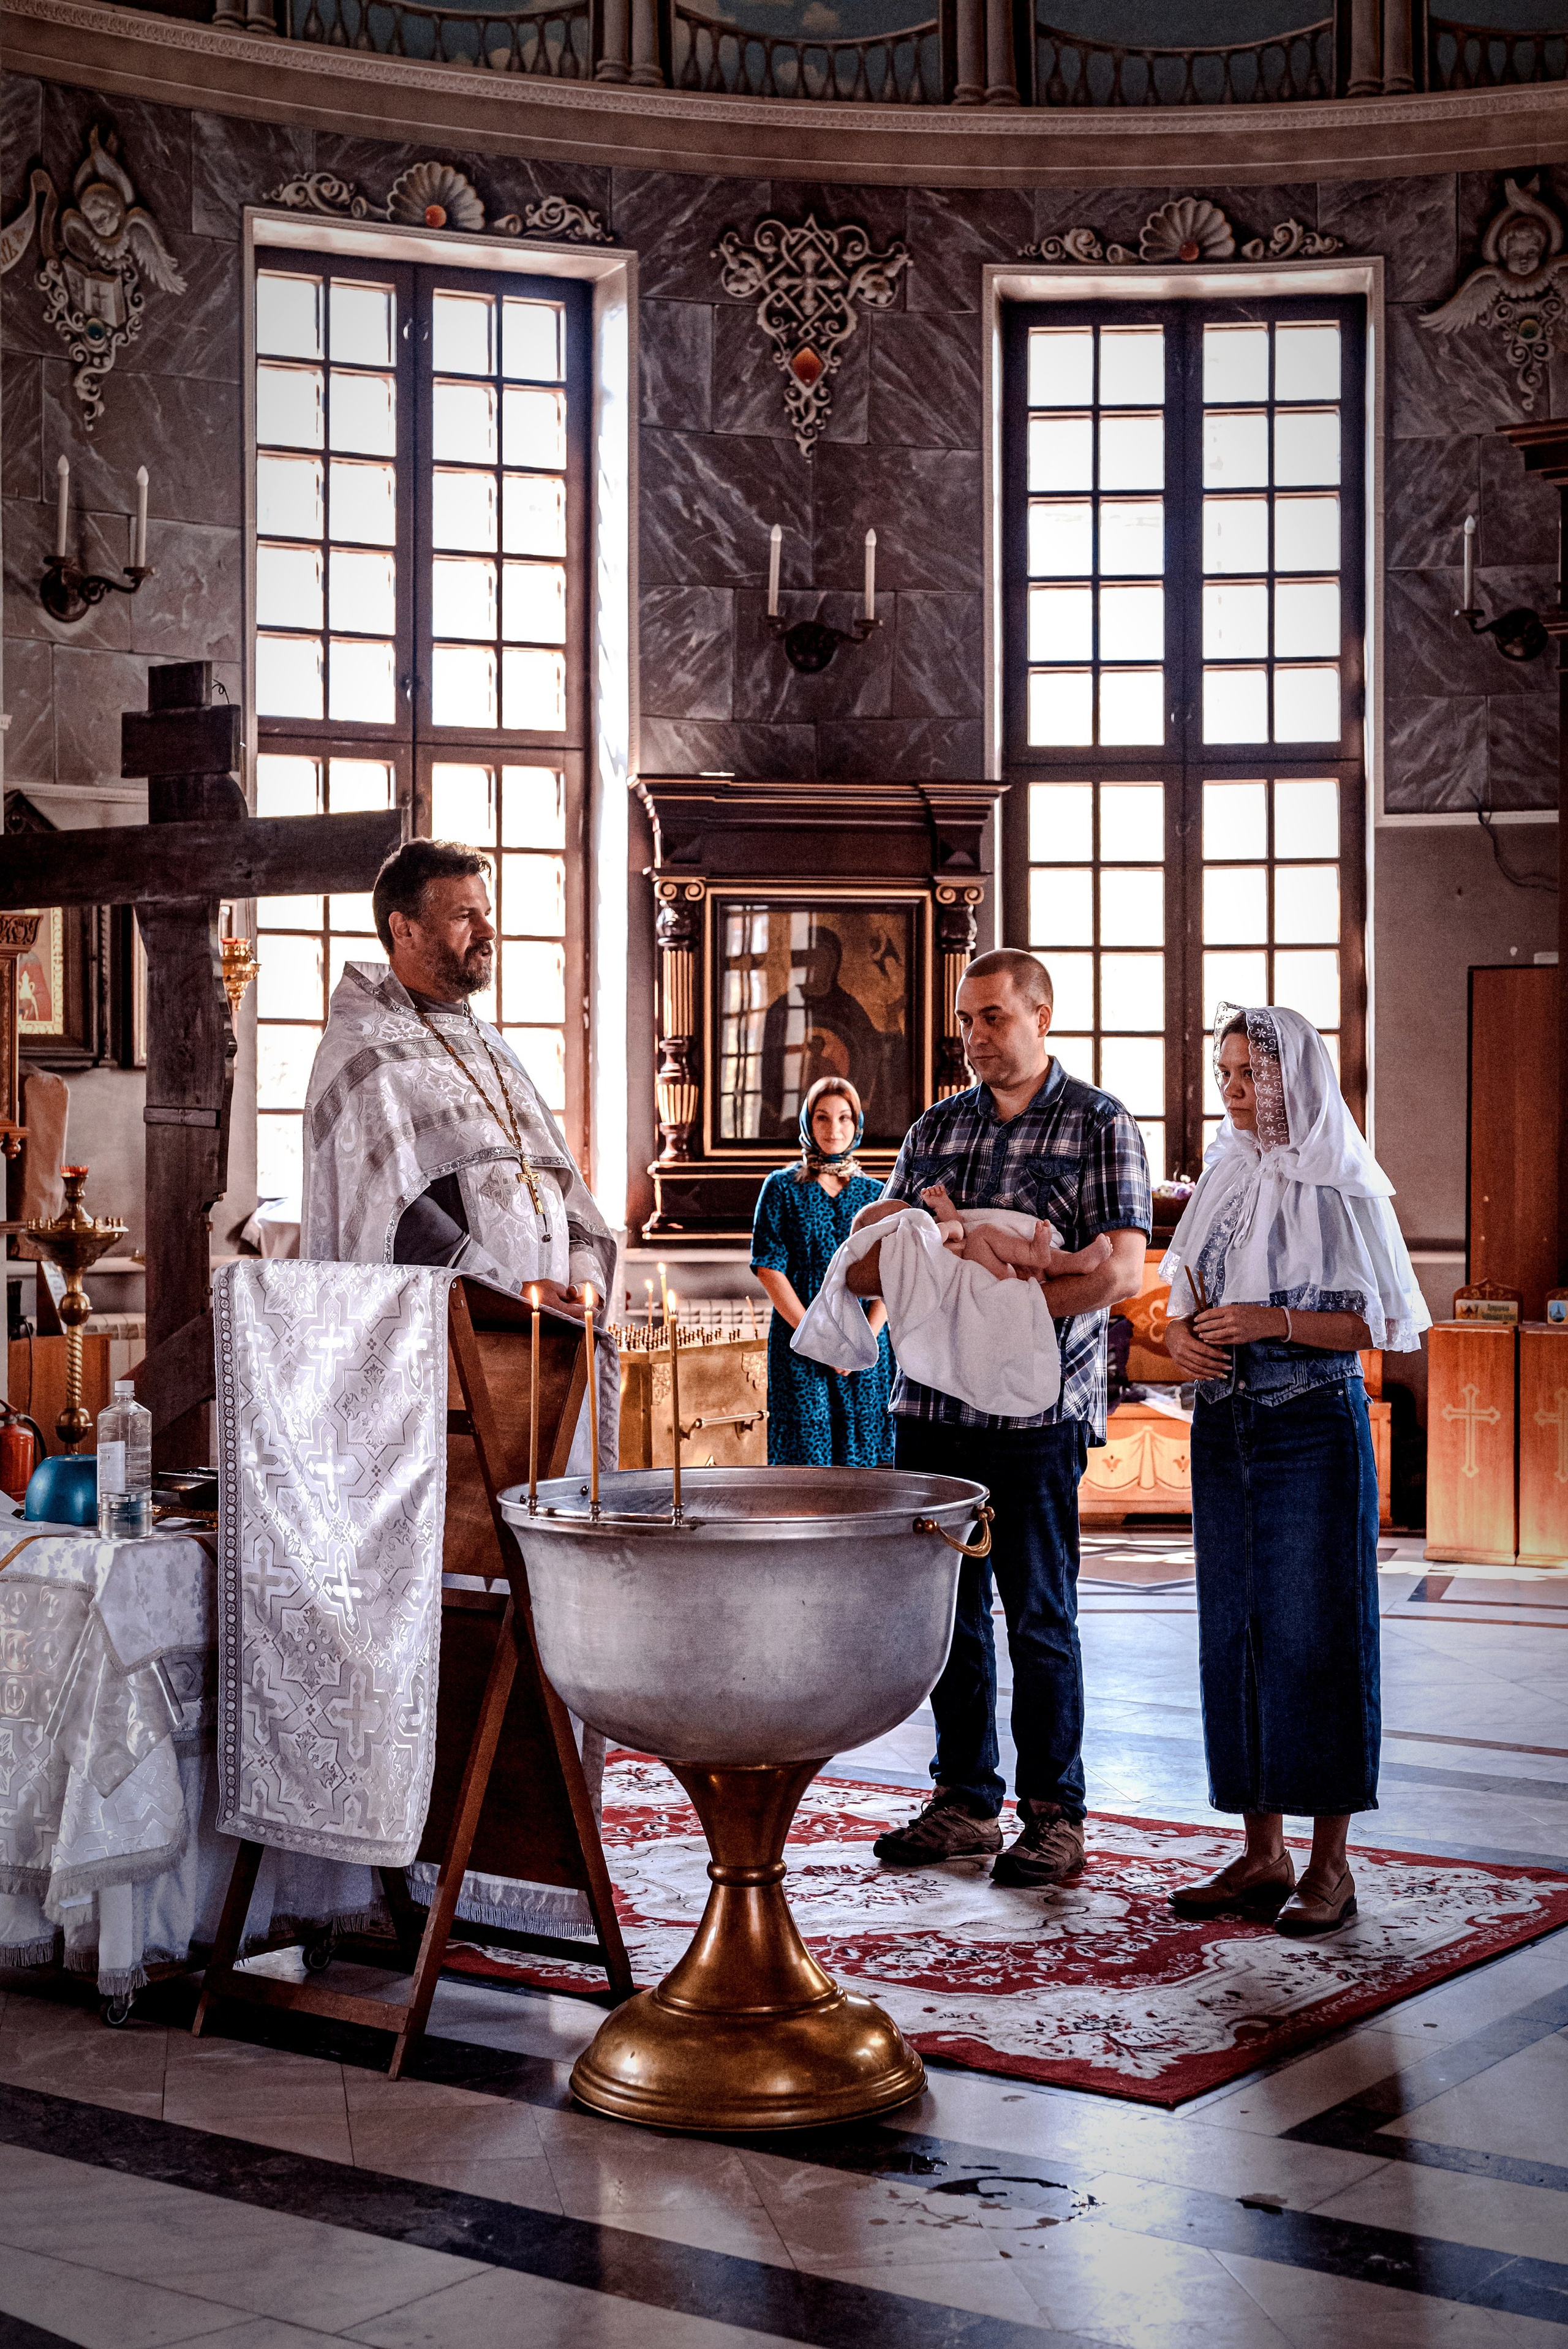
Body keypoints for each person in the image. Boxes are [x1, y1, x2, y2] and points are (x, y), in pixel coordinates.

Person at [847, 949, 1152, 1887]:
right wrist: (935, 1257)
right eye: (966, 1021)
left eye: (993, 1018)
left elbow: (1119, 1273)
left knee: (1041, 1613)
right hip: (934, 1409)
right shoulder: (937, 1128)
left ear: (1042, 1015)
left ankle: (1055, 1810)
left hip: (1037, 1416)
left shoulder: (1100, 1123)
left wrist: (990, 1305)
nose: (975, 1037)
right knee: (954, 1618)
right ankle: (965, 1800)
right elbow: (874, 1265)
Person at [1161, 1005, 1431, 1937]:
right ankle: (1261, 1850)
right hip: (1224, 1423)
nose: (1232, 1090)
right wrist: (1175, 1335)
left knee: (1318, 1635)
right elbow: (1183, 1296)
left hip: (1311, 1423)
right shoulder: (1229, 1170)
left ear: (1293, 1077)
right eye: (1224, 1072)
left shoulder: (1341, 1180)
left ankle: (1330, 1866)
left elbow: (1378, 1324)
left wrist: (1272, 1321)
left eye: (1248, 1074)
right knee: (1234, 1633)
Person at [302, 838, 616, 1322]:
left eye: (486, 912)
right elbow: (395, 1213)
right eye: (464, 916)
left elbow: (552, 1179)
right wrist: (511, 1293)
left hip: (549, 1328)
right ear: (404, 929)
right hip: (448, 1343)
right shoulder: (363, 1051)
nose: (488, 929)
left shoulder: (491, 1045)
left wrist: (584, 1278)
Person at [750, 1076, 894, 1467]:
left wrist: (864, 1340)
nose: (834, 1129)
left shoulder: (878, 1194)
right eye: (822, 1118)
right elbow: (769, 1268)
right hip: (801, 1343)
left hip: (867, 1346)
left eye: (845, 1118)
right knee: (806, 1464)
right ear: (807, 1124)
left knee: (868, 1465)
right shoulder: (780, 1188)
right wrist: (822, 1340)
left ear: (857, 1124)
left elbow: (891, 1274)